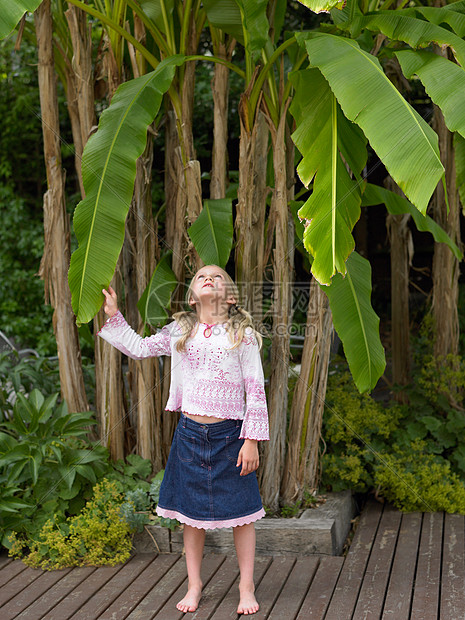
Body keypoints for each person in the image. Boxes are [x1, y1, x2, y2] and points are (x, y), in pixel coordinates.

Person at [98, 265, 269, 615]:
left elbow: (255, 388)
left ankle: (246, 584)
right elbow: (141, 348)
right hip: (190, 434)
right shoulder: (181, 330)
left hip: (230, 436)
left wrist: (251, 439)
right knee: (190, 516)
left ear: (231, 297)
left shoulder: (243, 335)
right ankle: (194, 584)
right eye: (202, 277)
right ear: (192, 297)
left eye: (218, 276)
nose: (209, 278)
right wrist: (115, 316)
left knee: (244, 514)